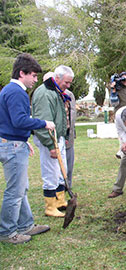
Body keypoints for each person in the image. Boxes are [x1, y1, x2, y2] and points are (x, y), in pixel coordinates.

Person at [0, 54, 55, 244]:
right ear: (22, 73)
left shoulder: (9, 90)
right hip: (12, 147)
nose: (35, 79)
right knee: (15, 191)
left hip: (14, 143)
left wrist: (24, 140)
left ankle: (25, 225)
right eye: (33, 75)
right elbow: (19, 120)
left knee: (21, 188)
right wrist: (44, 123)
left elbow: (8, 122)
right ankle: (7, 232)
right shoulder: (16, 92)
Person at [32, 65, 74, 217]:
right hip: (48, 140)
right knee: (51, 171)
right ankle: (50, 207)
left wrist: (64, 136)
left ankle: (60, 200)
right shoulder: (45, 93)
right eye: (66, 82)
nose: (68, 86)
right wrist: (50, 145)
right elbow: (43, 120)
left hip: (58, 138)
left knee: (59, 171)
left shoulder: (57, 92)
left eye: (70, 83)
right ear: (57, 78)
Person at [42, 72, 77, 189]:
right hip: (53, 137)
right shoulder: (46, 94)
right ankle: (56, 194)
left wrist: (67, 135)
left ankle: (67, 188)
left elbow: (70, 117)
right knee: (53, 169)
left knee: (67, 165)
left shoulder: (67, 95)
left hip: (66, 136)